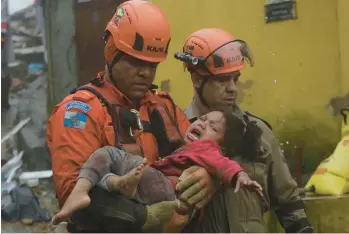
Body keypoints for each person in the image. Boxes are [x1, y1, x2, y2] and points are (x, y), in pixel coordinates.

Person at [46, 1, 216, 232]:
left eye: (152, 65)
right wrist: (147, 217)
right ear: (112, 51)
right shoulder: (78, 111)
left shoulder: (161, 104)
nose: (145, 73)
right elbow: (73, 195)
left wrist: (207, 177)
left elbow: (200, 153)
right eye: (135, 62)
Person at [174, 28, 313, 233]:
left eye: (235, 78)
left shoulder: (258, 132)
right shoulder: (177, 132)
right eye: (222, 80)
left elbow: (289, 203)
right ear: (196, 79)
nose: (233, 88)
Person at [51, 110, 264, 227]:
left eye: (212, 127)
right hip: (154, 197)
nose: (201, 123)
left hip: (160, 187)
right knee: (106, 181)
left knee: (110, 154)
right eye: (202, 118)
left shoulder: (204, 145)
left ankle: (112, 186)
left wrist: (230, 177)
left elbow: (223, 162)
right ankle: (122, 185)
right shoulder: (81, 107)